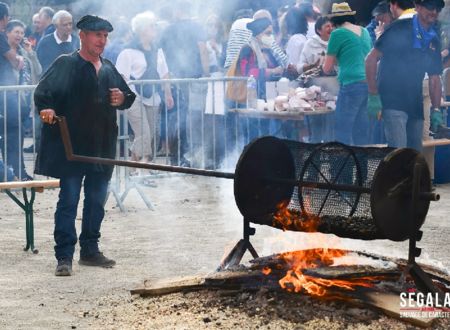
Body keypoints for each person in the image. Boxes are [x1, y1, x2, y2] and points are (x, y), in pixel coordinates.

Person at [34, 15, 136, 276]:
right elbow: (42, 92)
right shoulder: (66, 64)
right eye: (97, 35)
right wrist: (46, 108)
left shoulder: (109, 68)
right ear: (82, 35)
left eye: (105, 36)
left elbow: (127, 96)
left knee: (96, 201)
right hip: (73, 148)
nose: (102, 40)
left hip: (102, 148)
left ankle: (90, 250)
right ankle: (64, 256)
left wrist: (121, 98)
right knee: (68, 200)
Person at [365, 0, 444, 151]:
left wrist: (436, 109)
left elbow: (434, 78)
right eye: (429, 7)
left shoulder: (433, 38)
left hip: (415, 101)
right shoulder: (399, 27)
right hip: (392, 99)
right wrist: (373, 95)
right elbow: (371, 59)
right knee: (399, 153)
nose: (434, 12)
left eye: (437, 8)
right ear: (418, 7)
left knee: (415, 155)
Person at [116, 11, 174, 164]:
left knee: (150, 135)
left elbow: (164, 73)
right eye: (152, 26)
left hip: (153, 97)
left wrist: (168, 94)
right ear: (142, 29)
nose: (155, 28)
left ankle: (132, 169)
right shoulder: (127, 50)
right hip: (133, 97)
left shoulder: (158, 50)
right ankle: (143, 172)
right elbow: (121, 76)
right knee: (144, 134)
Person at [322, 2, 372, 146]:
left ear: (334, 21)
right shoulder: (365, 31)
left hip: (351, 85)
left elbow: (327, 68)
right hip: (368, 83)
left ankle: (345, 167)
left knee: (342, 130)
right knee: (360, 131)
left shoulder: (337, 33)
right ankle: (362, 166)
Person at [0, 20, 35, 180]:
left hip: (20, 101)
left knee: (16, 134)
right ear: (7, 32)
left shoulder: (23, 51)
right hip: (5, 100)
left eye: (22, 32)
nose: (20, 35)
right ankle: (13, 171)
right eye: (16, 32)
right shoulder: (3, 51)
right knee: (13, 134)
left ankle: (14, 171)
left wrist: (29, 54)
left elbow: (37, 70)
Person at [298, 16, 337, 142]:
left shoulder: (337, 42)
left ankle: (330, 151)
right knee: (316, 123)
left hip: (333, 90)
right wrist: (312, 66)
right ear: (319, 30)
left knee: (331, 123)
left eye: (332, 26)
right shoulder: (310, 44)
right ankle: (315, 150)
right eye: (327, 26)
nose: (331, 29)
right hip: (315, 90)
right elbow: (300, 66)